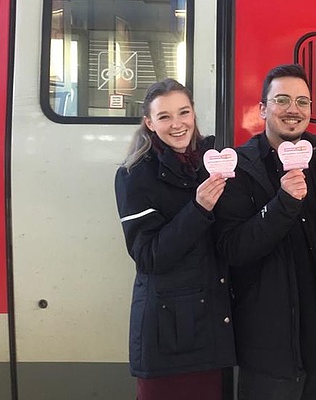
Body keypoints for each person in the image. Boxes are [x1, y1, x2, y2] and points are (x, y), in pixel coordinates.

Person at [213, 64, 316, 400]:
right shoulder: (240, 167)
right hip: (274, 351)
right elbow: (233, 249)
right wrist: (283, 203)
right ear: (263, 109)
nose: (293, 110)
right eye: (282, 100)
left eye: (302, 101)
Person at [114, 78, 236, 400]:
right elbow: (148, 257)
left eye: (183, 112)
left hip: (213, 325)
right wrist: (199, 208)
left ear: (194, 114)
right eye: (164, 116)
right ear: (149, 123)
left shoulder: (215, 161)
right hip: (167, 333)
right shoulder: (134, 175)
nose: (177, 124)